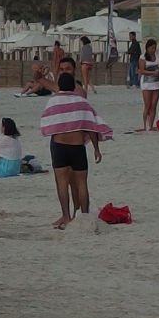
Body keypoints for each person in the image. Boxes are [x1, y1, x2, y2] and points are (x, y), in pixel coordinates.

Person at [38, 71, 110, 231]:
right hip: (77, 147)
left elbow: (46, 123)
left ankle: (66, 216)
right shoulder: (82, 102)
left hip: (59, 146)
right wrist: (96, 149)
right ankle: (85, 217)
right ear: (73, 86)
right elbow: (91, 126)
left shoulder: (53, 101)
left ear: (59, 86)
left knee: (61, 183)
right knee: (82, 184)